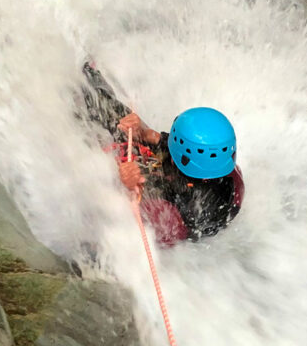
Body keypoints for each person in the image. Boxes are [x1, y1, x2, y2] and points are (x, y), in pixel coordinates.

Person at [81, 62, 244, 246]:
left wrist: (126, 184)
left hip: (158, 222)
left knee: (109, 130)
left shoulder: (171, 210)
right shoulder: (225, 174)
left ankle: (83, 82)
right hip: (179, 210)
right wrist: (144, 132)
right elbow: (185, 156)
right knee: (125, 126)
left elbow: (122, 220)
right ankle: (89, 78)